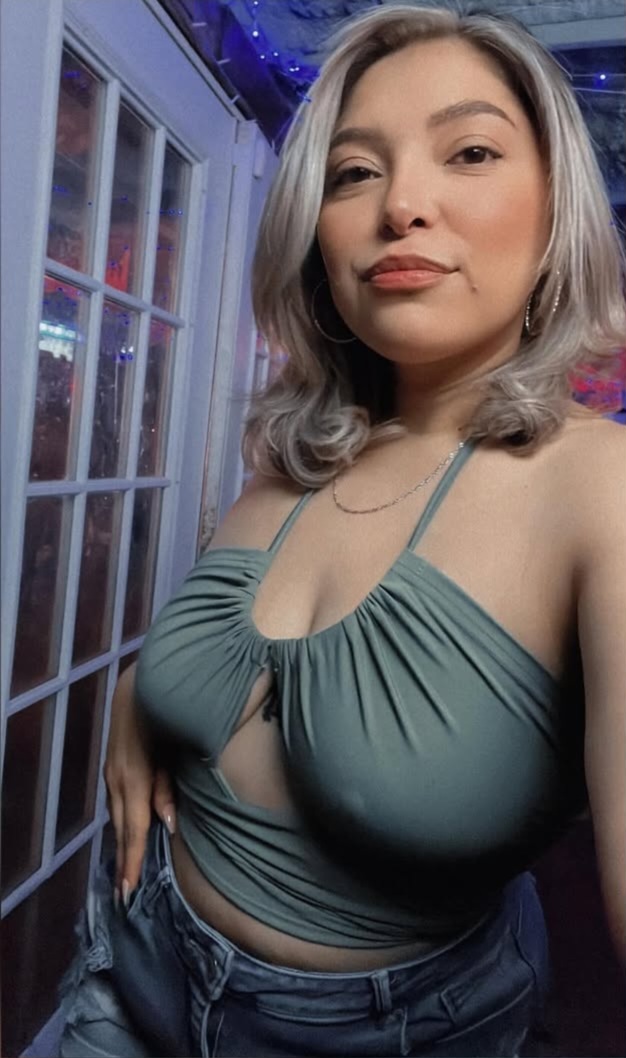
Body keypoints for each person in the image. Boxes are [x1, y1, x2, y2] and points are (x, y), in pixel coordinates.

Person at [59, 4, 626, 1056]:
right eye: (354, 172)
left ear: (557, 211)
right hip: (130, 964)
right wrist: (141, 693)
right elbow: (228, 661)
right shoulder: (299, 454)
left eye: (469, 152)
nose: (400, 204)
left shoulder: (600, 489)